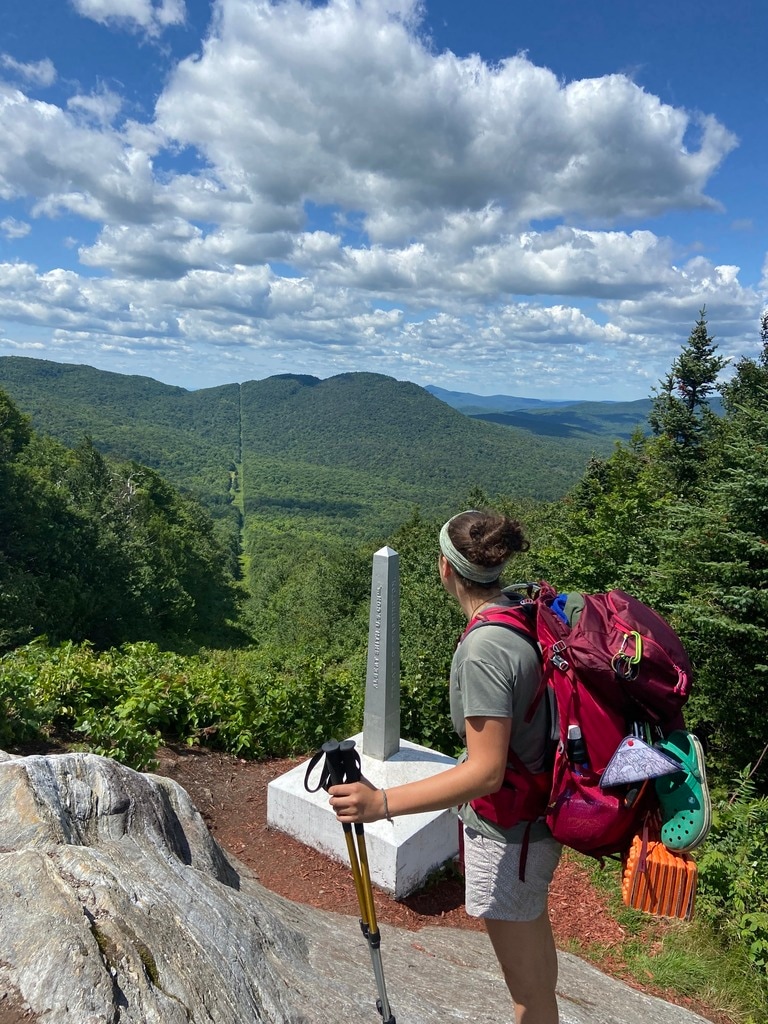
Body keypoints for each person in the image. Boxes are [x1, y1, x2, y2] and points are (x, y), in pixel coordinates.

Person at [328, 509, 561, 1024]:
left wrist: (381, 803)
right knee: (539, 975)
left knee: (530, 996)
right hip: (536, 823)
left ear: (445, 568)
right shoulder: (522, 609)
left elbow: (485, 773)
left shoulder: (483, 650)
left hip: (509, 837)